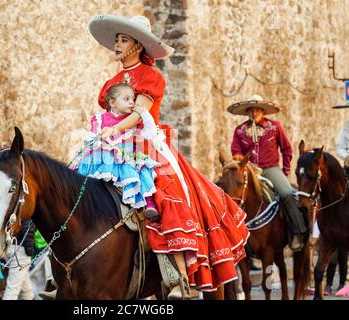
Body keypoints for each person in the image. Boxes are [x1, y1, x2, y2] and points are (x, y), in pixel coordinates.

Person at [84, 15, 249, 299]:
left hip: (145, 143)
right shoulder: (111, 81)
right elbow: (109, 110)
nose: (117, 45)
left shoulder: (151, 77)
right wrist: (100, 130)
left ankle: (176, 274)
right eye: (117, 40)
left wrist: (110, 131)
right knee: (79, 189)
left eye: (123, 40)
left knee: (166, 195)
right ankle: (71, 270)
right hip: (111, 142)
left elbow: (138, 114)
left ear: (137, 46)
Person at [228, 95, 308, 251]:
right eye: (251, 110)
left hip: (270, 168)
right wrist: (240, 160)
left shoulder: (275, 127)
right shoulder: (240, 131)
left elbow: (286, 149)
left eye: (257, 109)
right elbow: (235, 151)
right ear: (247, 112)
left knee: (286, 193)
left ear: (263, 111)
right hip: (250, 170)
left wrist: (285, 170)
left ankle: (298, 232)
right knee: (234, 193)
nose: (254, 112)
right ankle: (233, 238)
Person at [73, 82, 160, 217]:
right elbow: (91, 137)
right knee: (84, 170)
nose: (132, 102)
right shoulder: (100, 119)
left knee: (143, 169)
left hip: (127, 155)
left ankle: (148, 203)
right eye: (126, 99)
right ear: (112, 103)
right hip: (104, 155)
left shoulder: (133, 120)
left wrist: (144, 113)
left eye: (132, 99)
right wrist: (96, 140)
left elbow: (150, 133)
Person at [2, 220, 35, 300]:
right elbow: (27, 233)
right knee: (12, 291)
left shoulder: (13, 214)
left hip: (10, 248)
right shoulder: (26, 216)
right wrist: (30, 251)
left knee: (27, 290)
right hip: (20, 252)